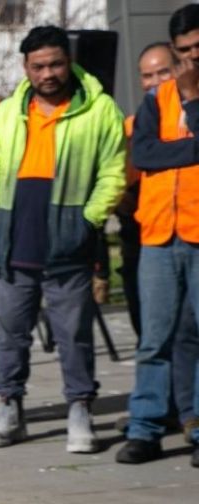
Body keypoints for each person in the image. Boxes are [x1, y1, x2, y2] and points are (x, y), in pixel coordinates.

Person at [0, 25, 125, 453]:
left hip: (68, 247)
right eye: (38, 66)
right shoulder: (6, 113)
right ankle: (10, 410)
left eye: (56, 63)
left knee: (74, 334)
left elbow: (113, 173)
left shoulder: (100, 110)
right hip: (13, 244)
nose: (48, 73)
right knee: (12, 334)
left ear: (69, 62)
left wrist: (88, 220)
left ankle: (80, 410)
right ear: (25, 67)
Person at [120, 3, 199, 466]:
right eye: (186, 50)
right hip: (158, 233)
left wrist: (191, 101)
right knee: (154, 338)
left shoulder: (183, 96)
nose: (193, 58)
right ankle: (145, 426)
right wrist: (189, 149)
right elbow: (145, 154)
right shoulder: (155, 100)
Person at [117, 42, 177, 338]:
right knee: (148, 333)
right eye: (147, 76)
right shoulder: (130, 127)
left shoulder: (188, 120)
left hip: (184, 234)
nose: (154, 83)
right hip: (139, 237)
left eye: (162, 73)